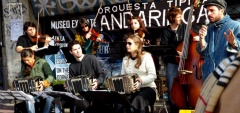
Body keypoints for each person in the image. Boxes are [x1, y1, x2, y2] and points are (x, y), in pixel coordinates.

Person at [160, 6, 200, 113]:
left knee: (190, 86)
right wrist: (175, 53)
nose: (181, 19)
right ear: (172, 18)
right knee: (172, 87)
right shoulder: (166, 32)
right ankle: (174, 109)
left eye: (181, 16)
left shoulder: (185, 28)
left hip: (187, 63)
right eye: (178, 17)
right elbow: (164, 51)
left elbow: (193, 40)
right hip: (172, 63)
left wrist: (197, 38)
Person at [55, 40, 106, 113]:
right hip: (80, 94)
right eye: (75, 49)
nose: (78, 51)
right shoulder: (72, 66)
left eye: (79, 48)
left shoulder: (91, 58)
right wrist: (68, 86)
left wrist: (97, 82)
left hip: (94, 91)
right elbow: (71, 82)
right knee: (76, 102)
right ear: (71, 52)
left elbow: (101, 74)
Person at [196, 0, 240, 82]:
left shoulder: (236, 26)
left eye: (212, 10)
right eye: (207, 11)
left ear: (222, 11)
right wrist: (201, 38)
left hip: (227, 78)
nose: (208, 14)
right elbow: (203, 53)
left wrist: (234, 43)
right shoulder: (209, 29)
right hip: (208, 77)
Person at [121, 34, 157, 113]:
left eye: (129, 43)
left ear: (137, 45)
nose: (127, 45)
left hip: (148, 88)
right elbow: (123, 77)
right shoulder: (125, 59)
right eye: (126, 43)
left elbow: (153, 75)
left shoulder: (146, 56)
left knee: (139, 99)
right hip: (131, 90)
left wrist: (141, 80)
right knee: (120, 100)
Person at [19, 49, 55, 113]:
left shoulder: (42, 62)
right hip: (33, 90)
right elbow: (21, 77)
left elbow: (51, 76)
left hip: (46, 87)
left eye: (28, 60)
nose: (26, 62)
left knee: (49, 97)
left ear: (32, 56)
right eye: (24, 60)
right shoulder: (24, 66)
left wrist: (43, 83)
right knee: (28, 98)